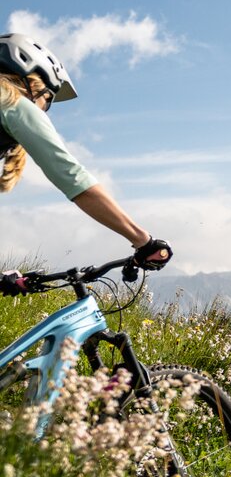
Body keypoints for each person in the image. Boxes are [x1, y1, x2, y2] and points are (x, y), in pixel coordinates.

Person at [0, 32, 171, 294]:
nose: (45, 108)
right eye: (49, 99)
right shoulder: (13, 102)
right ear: (31, 82)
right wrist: (142, 240)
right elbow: (74, 179)